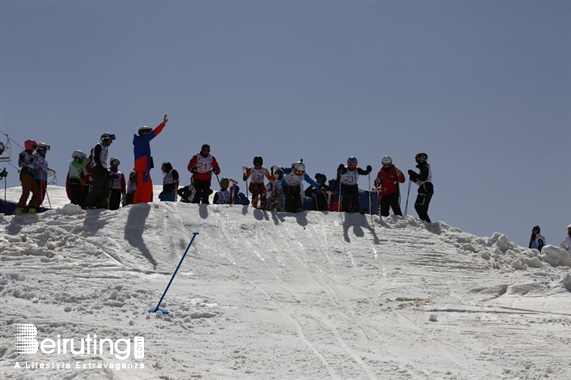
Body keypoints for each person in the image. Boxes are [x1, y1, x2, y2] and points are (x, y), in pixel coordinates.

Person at [133, 114, 168, 204]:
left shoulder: (139, 141)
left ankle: (141, 202)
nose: (148, 133)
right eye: (147, 132)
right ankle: (142, 203)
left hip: (142, 166)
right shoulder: (143, 139)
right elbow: (154, 133)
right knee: (145, 185)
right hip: (142, 166)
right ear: (143, 133)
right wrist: (163, 124)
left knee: (146, 184)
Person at [84, 132, 115, 209]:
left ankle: (100, 206)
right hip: (97, 168)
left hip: (103, 168)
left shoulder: (105, 149)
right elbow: (96, 158)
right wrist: (100, 168)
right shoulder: (99, 146)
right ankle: (88, 205)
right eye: (110, 140)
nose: (111, 142)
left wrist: (106, 171)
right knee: (97, 188)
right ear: (105, 139)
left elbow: (103, 161)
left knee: (106, 189)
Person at [15, 139, 41, 215]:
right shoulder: (23, 153)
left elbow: (31, 167)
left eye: (35, 147)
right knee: (26, 192)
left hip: (31, 175)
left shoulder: (32, 155)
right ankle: (19, 209)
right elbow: (21, 164)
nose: (34, 149)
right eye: (33, 146)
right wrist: (32, 159)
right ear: (29, 146)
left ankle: (32, 209)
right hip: (25, 174)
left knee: (38, 194)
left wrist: (37, 171)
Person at [407, 152, 433, 223]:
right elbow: (421, 182)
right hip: (425, 187)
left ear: (422, 159)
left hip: (426, 187)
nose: (417, 161)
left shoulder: (425, 167)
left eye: (417, 159)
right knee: (423, 206)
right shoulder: (423, 168)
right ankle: (425, 222)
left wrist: (414, 174)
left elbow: (423, 178)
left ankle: (426, 221)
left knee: (418, 205)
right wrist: (414, 179)